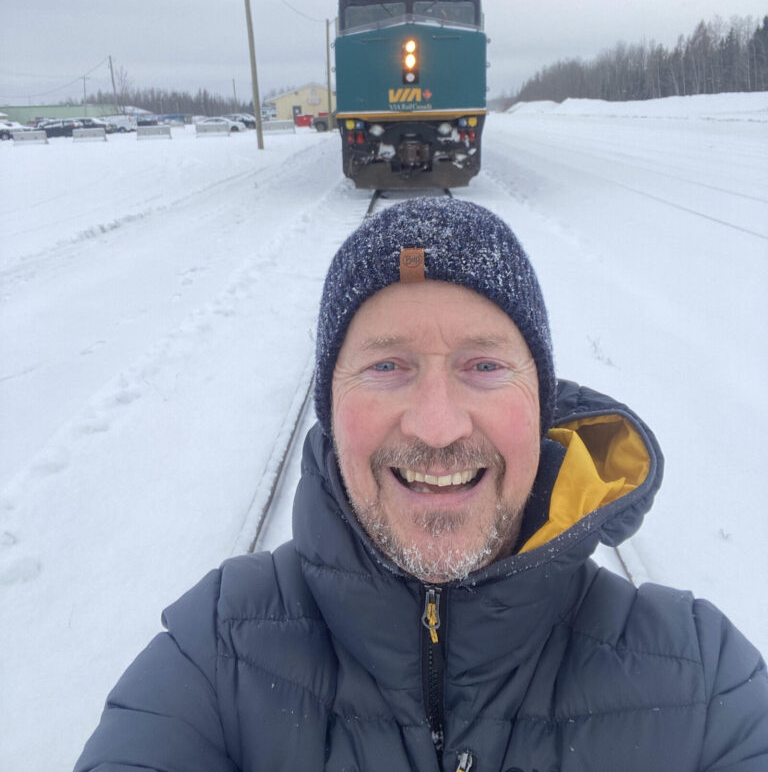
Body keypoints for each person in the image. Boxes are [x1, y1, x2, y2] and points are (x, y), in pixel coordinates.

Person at [75, 197, 767, 771]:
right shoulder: (215, 656)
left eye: (485, 366)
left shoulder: (704, 684)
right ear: (329, 413)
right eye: (386, 366)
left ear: (543, 405)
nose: (438, 428)